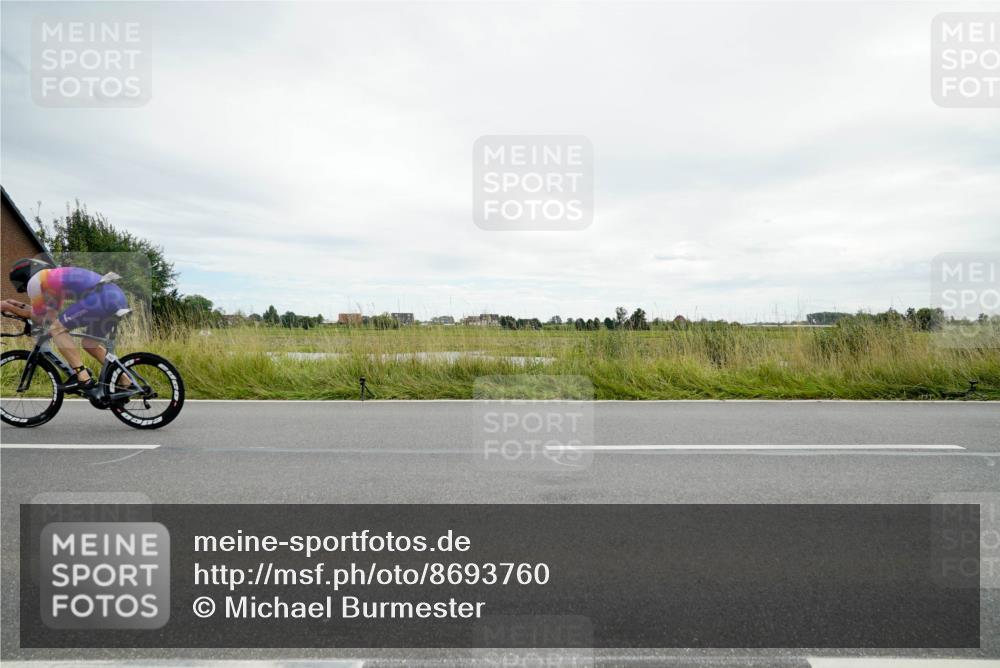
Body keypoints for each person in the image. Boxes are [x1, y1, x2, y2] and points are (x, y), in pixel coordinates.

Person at [3, 258, 129, 399]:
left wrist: (8, 307)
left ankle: (83, 377)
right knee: (89, 344)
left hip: (100, 298)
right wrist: (16, 305)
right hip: (115, 297)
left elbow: (41, 317)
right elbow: (47, 314)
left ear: (22, 278)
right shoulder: (52, 277)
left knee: (57, 329)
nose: (26, 292)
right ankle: (125, 380)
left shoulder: (35, 281)